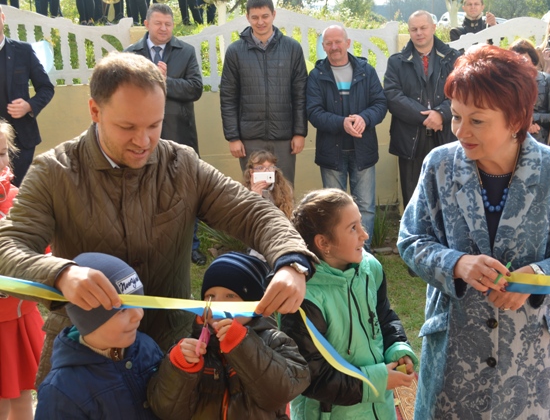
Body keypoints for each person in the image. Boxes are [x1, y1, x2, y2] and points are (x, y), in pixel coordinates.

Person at [0, 52, 316, 386]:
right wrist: (62, 273)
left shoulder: (182, 164)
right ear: (95, 110)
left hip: (172, 361)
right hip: (85, 362)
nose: (143, 141)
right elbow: (7, 246)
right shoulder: (54, 171)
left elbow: (253, 211)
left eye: (154, 125)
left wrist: (290, 260)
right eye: (127, 127)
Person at [398, 46, 550, 418]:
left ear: (516, 119)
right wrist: (457, 264)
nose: (461, 131)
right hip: (456, 357)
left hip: (534, 361)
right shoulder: (439, 164)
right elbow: (411, 240)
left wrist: (536, 276)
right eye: (456, 116)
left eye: (477, 120)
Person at [280, 188, 418, 420]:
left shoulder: (370, 269)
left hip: (379, 410)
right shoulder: (304, 298)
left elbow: (384, 316)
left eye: (361, 223)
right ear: (324, 242)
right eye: (353, 228)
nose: (364, 234)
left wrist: (397, 347)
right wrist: (375, 381)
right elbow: (311, 377)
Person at [147, 252, 311, 419]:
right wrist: (179, 368)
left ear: (255, 304)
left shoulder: (275, 341)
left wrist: (242, 345)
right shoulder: (190, 347)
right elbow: (165, 410)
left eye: (230, 296)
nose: (217, 303)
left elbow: (282, 392)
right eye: (210, 296)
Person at [35, 253, 164, 420]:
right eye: (123, 310)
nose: (138, 315)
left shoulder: (146, 346)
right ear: (89, 319)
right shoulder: (61, 391)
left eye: (140, 303)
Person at [125, 3, 206, 266]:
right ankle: (152, 246)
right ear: (147, 24)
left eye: (168, 24)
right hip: (141, 138)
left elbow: (195, 88)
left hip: (179, 134)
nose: (164, 28)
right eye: (158, 23)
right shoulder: (131, 54)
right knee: (146, 192)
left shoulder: (186, 51)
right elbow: (124, 93)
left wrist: (163, 81)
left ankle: (190, 246)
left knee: (185, 191)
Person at [307, 25, 387, 249]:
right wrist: (342, 123)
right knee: (334, 209)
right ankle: (340, 252)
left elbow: (380, 104)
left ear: (348, 43)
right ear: (323, 47)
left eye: (338, 42)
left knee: (366, 207)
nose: (334, 47)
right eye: (329, 43)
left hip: (363, 150)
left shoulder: (366, 71)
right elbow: (313, 112)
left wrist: (364, 118)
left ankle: (363, 253)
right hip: (331, 152)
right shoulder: (316, 76)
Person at [220, 0, 308, 185]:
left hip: (284, 138)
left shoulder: (292, 48)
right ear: (247, 17)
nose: (260, 22)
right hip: (249, 139)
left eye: (265, 16)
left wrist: (299, 133)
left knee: (284, 191)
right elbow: (228, 97)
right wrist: (233, 137)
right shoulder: (235, 52)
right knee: (256, 193)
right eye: (255, 17)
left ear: (273, 15)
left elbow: (300, 94)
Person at [384, 10, 459, 209]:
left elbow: (462, 92)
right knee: (414, 197)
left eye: (423, 28)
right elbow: (393, 96)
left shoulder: (454, 58)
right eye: (414, 29)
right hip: (410, 139)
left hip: (446, 135)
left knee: (447, 195)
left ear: (433, 28)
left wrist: (441, 114)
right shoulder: (396, 62)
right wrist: (426, 117)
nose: (419, 33)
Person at [0, 120, 45, 420]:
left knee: (21, 395)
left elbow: (41, 248)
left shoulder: (18, 198)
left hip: (19, 315)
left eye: (3, 153)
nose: (0, 161)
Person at [0, 5, 55, 187]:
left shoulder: (23, 51)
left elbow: (46, 88)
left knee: (17, 192)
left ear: (2, 17)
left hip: (21, 139)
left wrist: (29, 106)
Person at [509, 39, 550, 144]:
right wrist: (524, 124)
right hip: (514, 134)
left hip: (541, 136)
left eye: (524, 57)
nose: (520, 61)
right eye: (516, 57)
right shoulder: (507, 82)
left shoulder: (547, 80)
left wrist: (532, 118)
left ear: (532, 59)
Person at [243, 150, 294, 219]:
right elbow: (247, 220)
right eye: (260, 168)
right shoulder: (243, 192)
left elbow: (289, 216)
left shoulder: (285, 189)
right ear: (252, 172)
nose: (267, 171)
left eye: (270, 167)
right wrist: (255, 197)